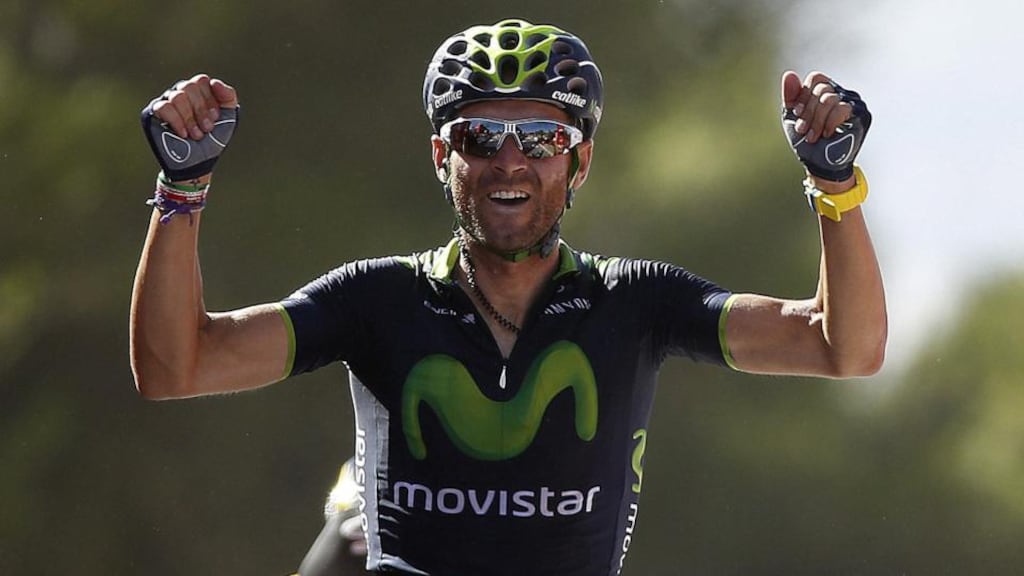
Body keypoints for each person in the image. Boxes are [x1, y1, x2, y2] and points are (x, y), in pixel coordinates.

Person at [130, 18, 886, 576]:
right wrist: (181, 188)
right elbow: (177, 366)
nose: (509, 161)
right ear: (440, 157)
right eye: (479, 138)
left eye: (542, 140)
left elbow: (841, 347)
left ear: (580, 162)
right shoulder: (377, 299)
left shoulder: (634, 301)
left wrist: (834, 185)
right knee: (346, 527)